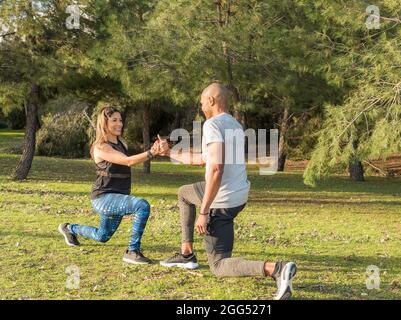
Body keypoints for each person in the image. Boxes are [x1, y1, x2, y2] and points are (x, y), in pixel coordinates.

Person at [157, 83, 297, 299]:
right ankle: (187, 254)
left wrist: (203, 212)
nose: (201, 105)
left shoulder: (212, 125)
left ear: (211, 101)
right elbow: (204, 160)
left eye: (202, 101)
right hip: (238, 195)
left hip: (221, 200)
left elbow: (216, 168)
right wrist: (169, 154)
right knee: (185, 193)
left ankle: (277, 269)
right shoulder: (234, 124)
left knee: (219, 265)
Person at [58, 106, 161, 265]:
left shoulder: (122, 143)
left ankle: (69, 228)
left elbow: (127, 162)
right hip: (103, 198)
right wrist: (151, 152)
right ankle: (133, 251)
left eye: (120, 120)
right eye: (114, 120)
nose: (119, 124)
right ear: (104, 123)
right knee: (142, 205)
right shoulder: (101, 147)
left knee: (102, 236)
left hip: (118, 197)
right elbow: (128, 161)